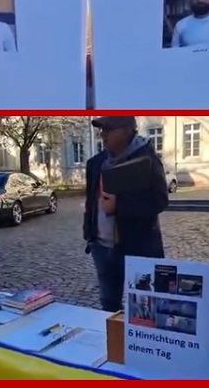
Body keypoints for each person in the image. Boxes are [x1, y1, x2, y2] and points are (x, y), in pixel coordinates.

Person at [83, 116, 169, 313]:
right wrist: (90, 236)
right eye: (101, 129)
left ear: (126, 130)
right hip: (102, 247)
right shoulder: (96, 163)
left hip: (138, 248)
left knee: (143, 307)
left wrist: (118, 206)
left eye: (108, 129)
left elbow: (159, 201)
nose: (102, 134)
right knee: (108, 303)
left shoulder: (147, 160)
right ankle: (111, 341)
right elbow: (91, 203)